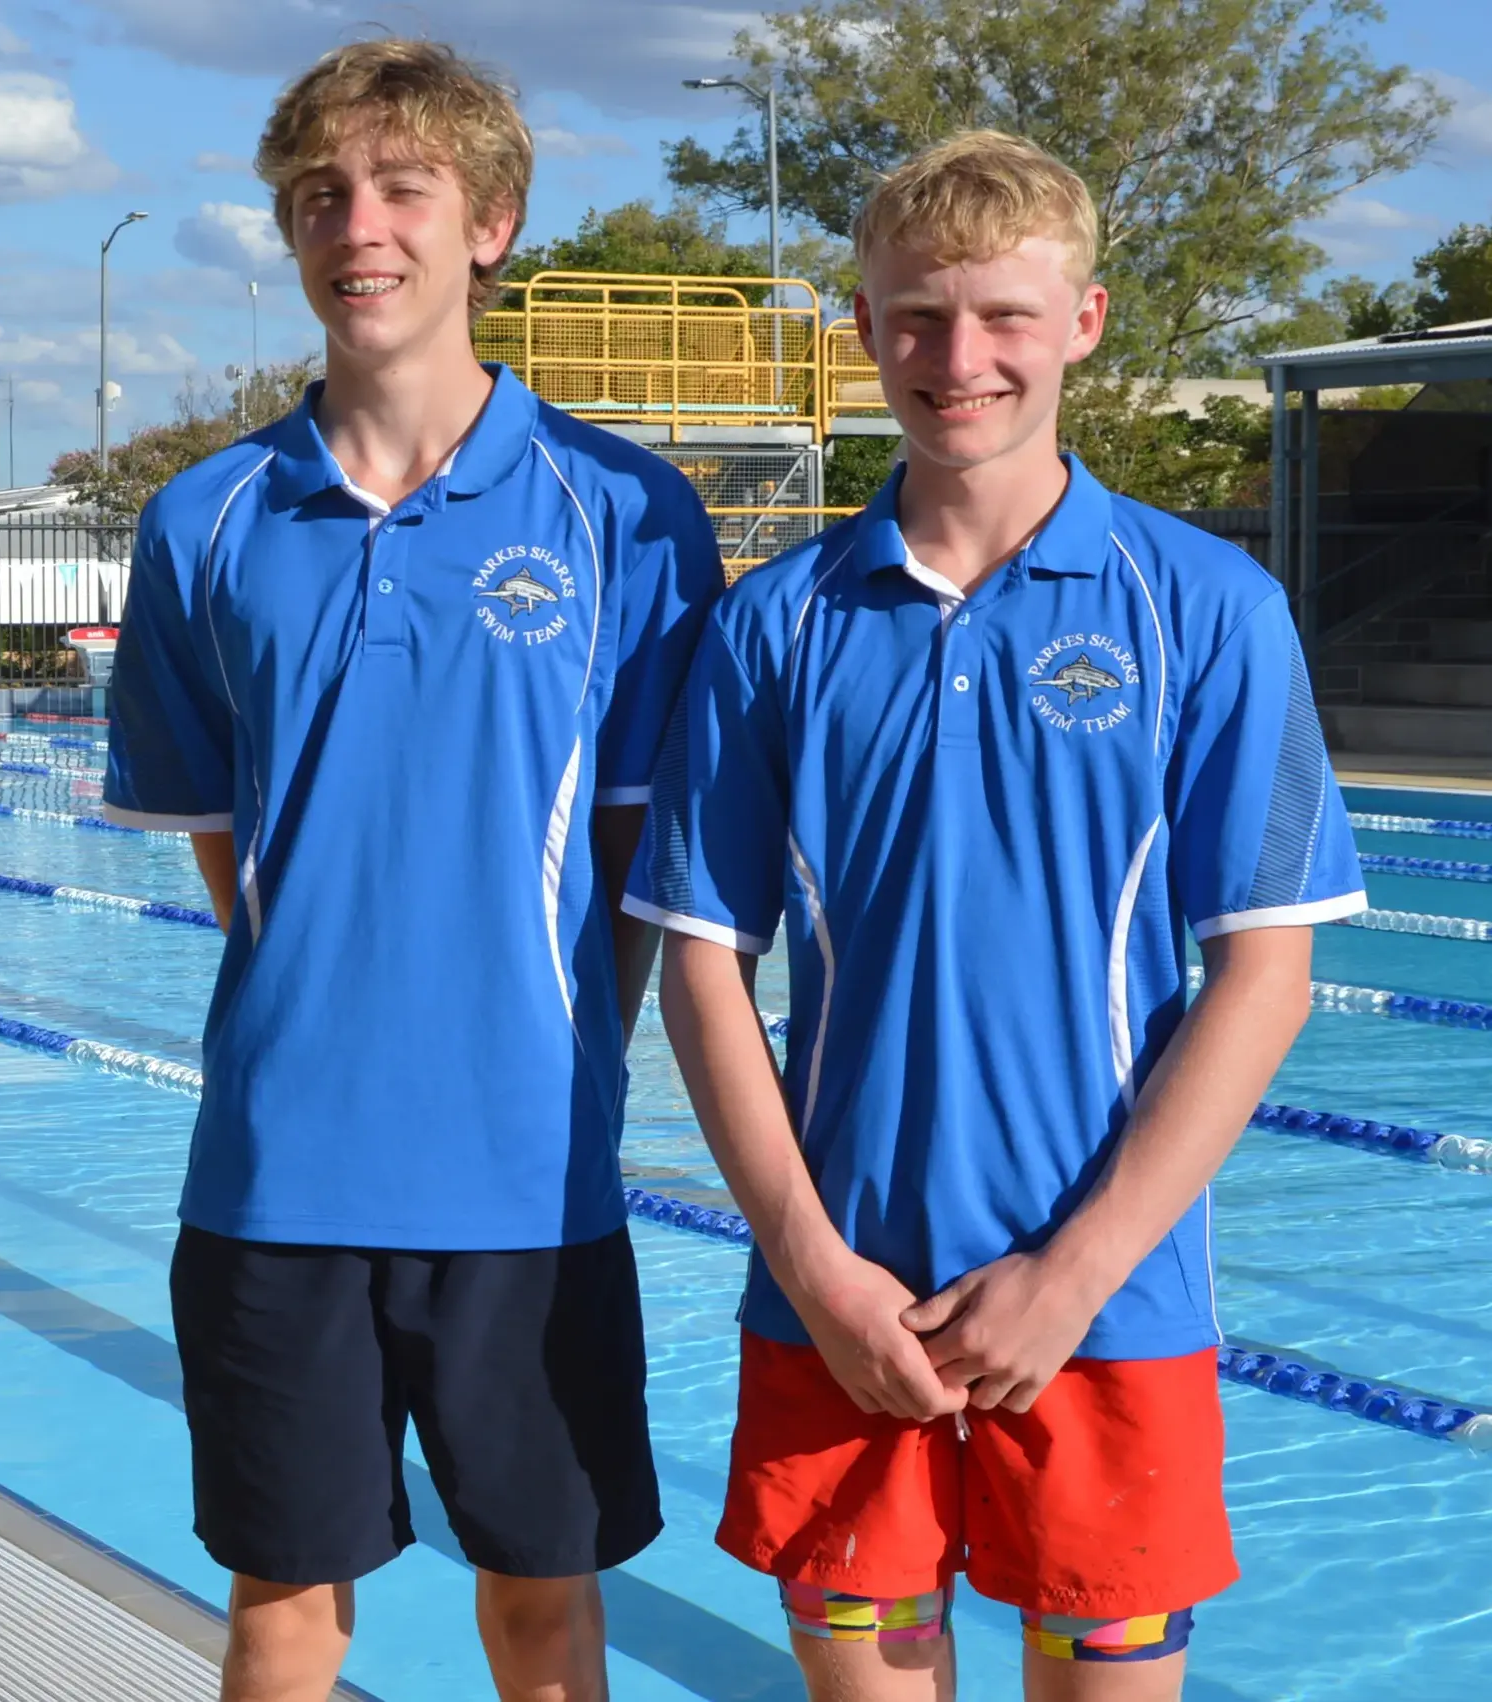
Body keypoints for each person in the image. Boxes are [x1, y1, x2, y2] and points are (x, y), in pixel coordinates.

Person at [634, 131, 1366, 1702]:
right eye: (913, 317)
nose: (956, 358)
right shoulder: (773, 626)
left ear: (1084, 320)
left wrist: (1076, 1269)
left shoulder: (1205, 608)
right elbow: (702, 964)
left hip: (1113, 1311)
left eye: (1001, 317)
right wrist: (817, 1267)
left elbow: (1268, 969)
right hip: (840, 1307)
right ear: (862, 326)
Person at [102, 40, 722, 1702]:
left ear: (489, 225)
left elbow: (634, 863)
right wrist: (328, 994)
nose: (353, 227)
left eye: (399, 189)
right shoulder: (206, 520)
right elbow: (227, 843)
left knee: (540, 1613)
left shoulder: (626, 515)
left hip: (527, 1182)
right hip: (271, 1175)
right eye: (317, 196)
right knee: (279, 1619)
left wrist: (543, 1057)